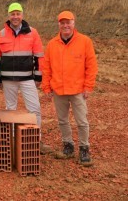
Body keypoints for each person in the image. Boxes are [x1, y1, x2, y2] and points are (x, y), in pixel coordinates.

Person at [42, 11, 98, 166]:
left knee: (82, 121)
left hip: (78, 90)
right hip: (59, 90)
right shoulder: (52, 44)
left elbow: (91, 66)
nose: (65, 25)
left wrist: (88, 86)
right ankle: (68, 146)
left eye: (69, 22)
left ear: (74, 23)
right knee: (62, 120)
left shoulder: (85, 41)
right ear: (58, 24)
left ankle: (84, 148)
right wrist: (46, 87)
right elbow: (46, 67)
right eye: (62, 22)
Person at [0, 2, 52, 154]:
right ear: (8, 16)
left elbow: (39, 56)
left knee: (35, 109)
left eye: (18, 13)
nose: (15, 17)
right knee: (10, 110)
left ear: (22, 15)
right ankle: (13, 142)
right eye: (12, 14)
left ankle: (37, 140)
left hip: (27, 79)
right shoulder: (0, 35)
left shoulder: (33, 33)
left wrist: (38, 77)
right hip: (8, 80)